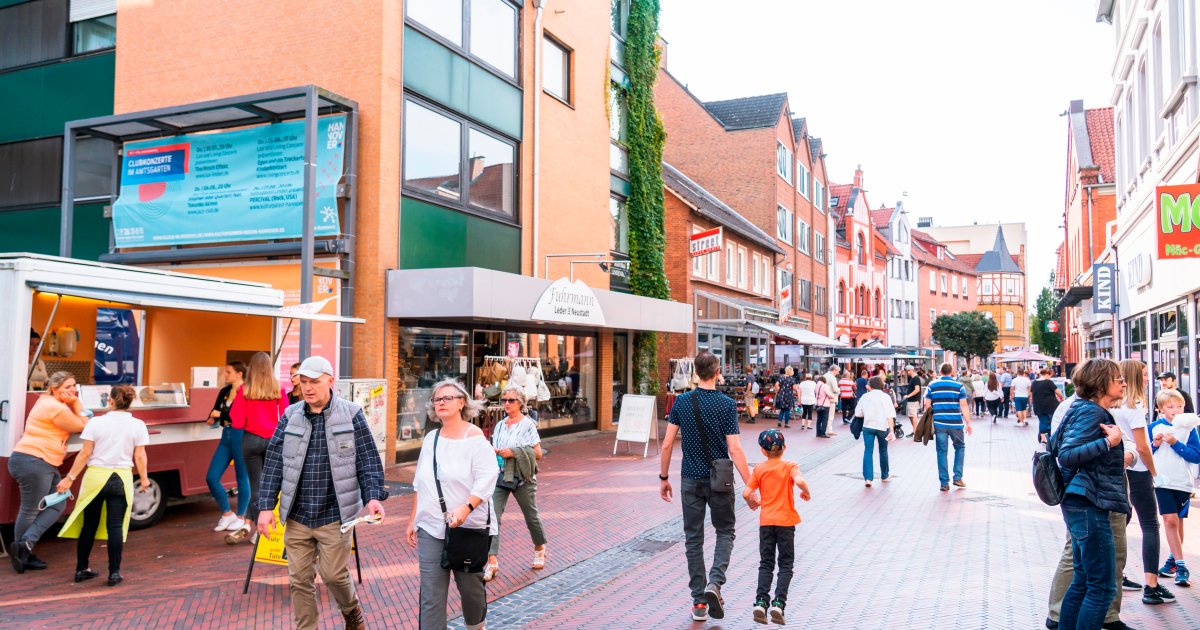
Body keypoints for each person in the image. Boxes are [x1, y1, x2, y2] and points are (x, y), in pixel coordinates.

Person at [258, 355, 387, 630]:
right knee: (298, 581)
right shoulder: (290, 416)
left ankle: (351, 611)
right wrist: (265, 507)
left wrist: (373, 496)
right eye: (303, 382)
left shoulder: (351, 414)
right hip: (297, 515)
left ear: (330, 381)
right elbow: (273, 464)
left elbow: (368, 460)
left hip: (335, 515)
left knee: (333, 575)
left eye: (314, 382)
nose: (307, 388)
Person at [659, 351, 757, 622]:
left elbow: (667, 444)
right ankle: (715, 583)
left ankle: (699, 603)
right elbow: (735, 449)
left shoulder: (681, 402)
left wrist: (664, 478)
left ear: (695, 374)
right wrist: (750, 485)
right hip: (720, 479)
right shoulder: (726, 405)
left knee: (693, 539)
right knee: (725, 531)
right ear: (717, 373)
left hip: (690, 478)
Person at [404, 378, 496, 630]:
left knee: (470, 590)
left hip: (467, 528)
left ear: (462, 402)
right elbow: (420, 482)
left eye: (447, 398)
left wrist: (466, 509)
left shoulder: (474, 436)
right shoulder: (431, 438)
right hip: (431, 526)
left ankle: (476, 626)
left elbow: (488, 478)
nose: (441, 402)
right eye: (437, 399)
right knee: (431, 594)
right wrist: (413, 518)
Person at [1050, 358, 1130, 630]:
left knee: (1084, 580)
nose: (1123, 383)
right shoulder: (1092, 413)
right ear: (1100, 383)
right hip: (1088, 503)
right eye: (1117, 378)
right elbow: (1067, 455)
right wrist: (1110, 442)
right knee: (1103, 587)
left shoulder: (1081, 408)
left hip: (1080, 502)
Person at [56, 385, 149, 586]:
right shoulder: (138, 425)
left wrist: (69, 478)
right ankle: (114, 573)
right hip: (121, 478)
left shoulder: (95, 423)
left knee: (89, 524)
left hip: (96, 477)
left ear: (111, 401)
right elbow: (139, 455)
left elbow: (85, 453)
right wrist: (144, 478)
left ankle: (82, 569)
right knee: (115, 526)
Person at [8, 371, 90, 573]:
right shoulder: (53, 406)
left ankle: (24, 545)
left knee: (58, 504)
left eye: (74, 386)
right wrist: (78, 406)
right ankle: (23, 553)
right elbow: (83, 427)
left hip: (42, 462)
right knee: (30, 510)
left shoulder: (53, 404)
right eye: (67, 387)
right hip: (35, 461)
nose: (72, 390)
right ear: (54, 388)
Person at [1111, 360, 1173, 605]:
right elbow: (1142, 447)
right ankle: (1152, 585)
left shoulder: (1113, 404)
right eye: (1145, 374)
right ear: (1135, 376)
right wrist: (1154, 471)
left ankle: (1117, 575)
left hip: (1117, 468)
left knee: (1120, 522)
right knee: (1149, 524)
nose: (1149, 377)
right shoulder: (1134, 405)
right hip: (1136, 468)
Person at [743, 429, 810, 625]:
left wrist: (752, 502)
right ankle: (778, 603)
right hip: (786, 523)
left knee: (766, 563)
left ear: (762, 451)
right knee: (786, 564)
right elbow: (800, 480)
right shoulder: (790, 466)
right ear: (785, 448)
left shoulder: (759, 469)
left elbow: (747, 493)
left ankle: (761, 601)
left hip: (766, 522)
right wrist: (806, 492)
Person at [483, 384, 547, 583]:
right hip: (500, 475)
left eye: (511, 400)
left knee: (531, 515)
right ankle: (492, 562)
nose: (507, 404)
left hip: (521, 477)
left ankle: (539, 547)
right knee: (492, 516)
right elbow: (495, 446)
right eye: (504, 400)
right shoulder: (500, 424)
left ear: (520, 403)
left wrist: (514, 452)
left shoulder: (528, 424)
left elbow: (538, 454)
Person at [226, 352, 289, 544]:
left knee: (256, 486)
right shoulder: (278, 388)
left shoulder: (245, 390)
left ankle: (255, 528)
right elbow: (286, 416)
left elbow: (236, 421)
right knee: (273, 485)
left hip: (251, 440)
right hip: (274, 441)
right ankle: (265, 528)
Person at [1148, 388, 1200, 588]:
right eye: (1171, 407)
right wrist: (1155, 443)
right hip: (1162, 481)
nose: (1176, 410)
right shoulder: (1153, 426)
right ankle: (1181, 565)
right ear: (1161, 409)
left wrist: (1176, 443)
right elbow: (1145, 453)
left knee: (1177, 522)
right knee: (1169, 520)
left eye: (1179, 406)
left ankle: (1172, 560)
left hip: (1183, 482)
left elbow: (1196, 456)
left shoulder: (1189, 429)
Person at [205, 361, 251, 535]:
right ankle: (227, 513)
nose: (225, 375)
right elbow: (214, 411)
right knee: (211, 476)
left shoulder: (247, 391)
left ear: (239, 374)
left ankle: (240, 516)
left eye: (228, 372)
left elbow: (243, 415)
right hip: (226, 435)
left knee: (242, 476)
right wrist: (213, 417)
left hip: (241, 435)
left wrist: (220, 414)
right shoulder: (224, 391)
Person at [924, 363, 973, 492]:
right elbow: (963, 405)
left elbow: (927, 405)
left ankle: (944, 483)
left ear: (940, 371)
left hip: (939, 423)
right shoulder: (959, 386)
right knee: (960, 448)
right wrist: (968, 423)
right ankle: (957, 477)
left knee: (941, 452)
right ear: (952, 372)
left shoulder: (932, 385)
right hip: (956, 423)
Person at [856, 376, 896, 487]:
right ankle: (884, 475)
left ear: (870, 385)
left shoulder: (865, 396)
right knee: (883, 450)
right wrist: (892, 431)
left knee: (868, 451)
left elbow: (858, 413)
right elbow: (890, 415)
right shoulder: (886, 397)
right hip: (883, 427)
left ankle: (868, 478)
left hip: (868, 426)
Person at [1031, 368, 1064, 444]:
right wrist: (1062, 398)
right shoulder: (1048, 382)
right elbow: (1058, 392)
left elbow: (1032, 393)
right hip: (1051, 405)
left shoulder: (1034, 383)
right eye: (1049, 375)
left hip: (1038, 406)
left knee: (1042, 421)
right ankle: (1052, 436)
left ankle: (1043, 438)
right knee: (1053, 421)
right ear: (1046, 374)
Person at [815, 367, 838, 438]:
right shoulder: (824, 386)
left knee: (819, 419)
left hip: (818, 404)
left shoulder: (817, 385)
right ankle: (823, 433)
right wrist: (833, 395)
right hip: (825, 405)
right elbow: (830, 395)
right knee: (825, 419)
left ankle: (818, 433)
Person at [901, 365, 924, 436]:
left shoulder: (915, 378)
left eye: (907, 371)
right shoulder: (913, 378)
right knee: (911, 416)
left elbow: (917, 390)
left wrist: (908, 395)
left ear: (911, 370)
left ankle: (916, 432)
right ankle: (915, 430)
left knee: (913, 415)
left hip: (914, 400)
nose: (906, 373)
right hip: (911, 400)